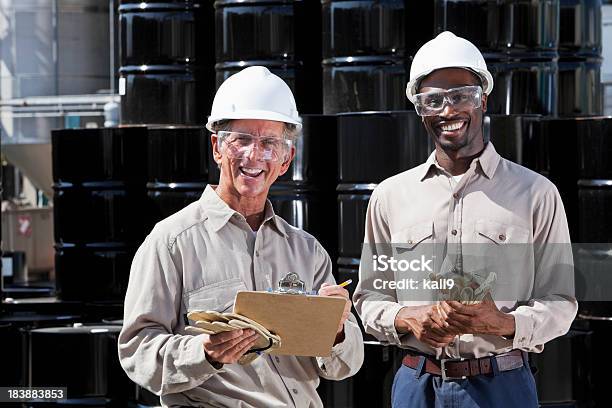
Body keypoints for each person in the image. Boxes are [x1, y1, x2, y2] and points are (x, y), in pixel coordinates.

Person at [353, 32, 577, 407]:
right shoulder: (389, 197)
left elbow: (561, 302)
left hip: (503, 386)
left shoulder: (536, 194)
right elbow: (369, 297)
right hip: (415, 384)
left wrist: (502, 322)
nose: (447, 110)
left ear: (483, 99)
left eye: (461, 96)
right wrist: (408, 317)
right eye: (433, 100)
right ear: (420, 108)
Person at [119, 66, 364, 407]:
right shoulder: (172, 242)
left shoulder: (307, 252)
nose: (254, 156)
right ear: (217, 148)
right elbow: (137, 350)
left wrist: (336, 330)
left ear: (285, 159)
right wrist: (203, 352)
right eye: (242, 140)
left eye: (269, 143)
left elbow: (346, 364)